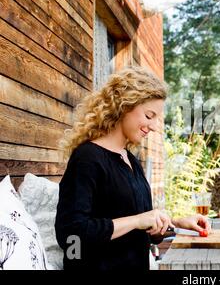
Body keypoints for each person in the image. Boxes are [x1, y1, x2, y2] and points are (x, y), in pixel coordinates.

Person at [55, 66, 210, 270]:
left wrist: (176, 223)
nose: (154, 126)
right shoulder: (87, 158)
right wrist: (138, 220)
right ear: (124, 106)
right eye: (149, 115)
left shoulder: (130, 160)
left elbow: (140, 227)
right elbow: (70, 234)